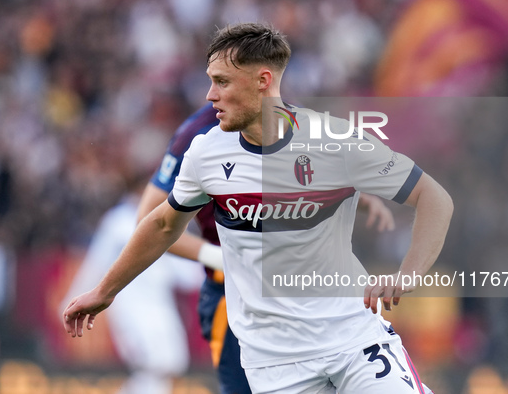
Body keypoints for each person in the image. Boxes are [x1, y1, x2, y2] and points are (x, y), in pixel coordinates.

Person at [63, 23, 453, 393]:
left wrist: (407, 274)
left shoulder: (336, 140)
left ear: (263, 81)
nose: (209, 95)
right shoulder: (205, 151)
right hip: (274, 364)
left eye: (221, 82)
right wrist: (105, 291)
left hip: (353, 339)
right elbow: (163, 223)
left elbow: (433, 197)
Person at [136, 102, 396, 394]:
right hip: (235, 294)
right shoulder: (197, 135)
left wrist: (361, 199)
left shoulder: (287, 121)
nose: (214, 92)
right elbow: (149, 220)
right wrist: (224, 259)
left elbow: (306, 177)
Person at [60, 178, 205, 394]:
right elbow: (96, 264)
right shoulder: (118, 222)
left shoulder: (166, 220)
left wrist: (216, 267)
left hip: (160, 306)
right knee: (154, 367)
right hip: (129, 305)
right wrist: (70, 300)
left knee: (171, 366)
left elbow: (186, 274)